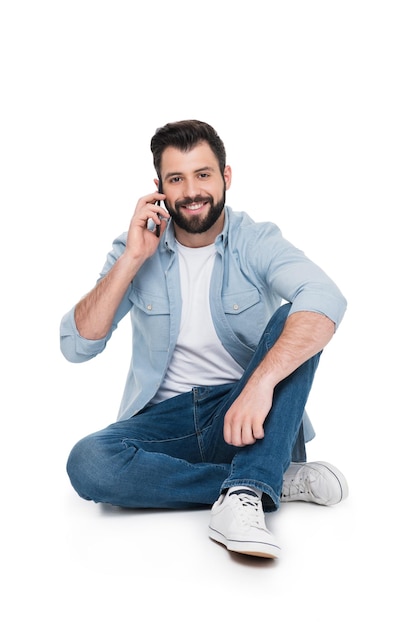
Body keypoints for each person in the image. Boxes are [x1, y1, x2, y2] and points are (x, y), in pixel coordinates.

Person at [60, 119, 348, 559]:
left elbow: (326, 298)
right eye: (176, 179)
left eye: (203, 174)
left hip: (248, 415)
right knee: (88, 462)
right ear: (159, 188)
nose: (192, 191)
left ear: (225, 177)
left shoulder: (254, 240)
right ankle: (264, 480)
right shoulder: (136, 248)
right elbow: (77, 345)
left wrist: (259, 385)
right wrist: (134, 258)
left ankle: (250, 484)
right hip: (166, 421)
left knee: (301, 315)